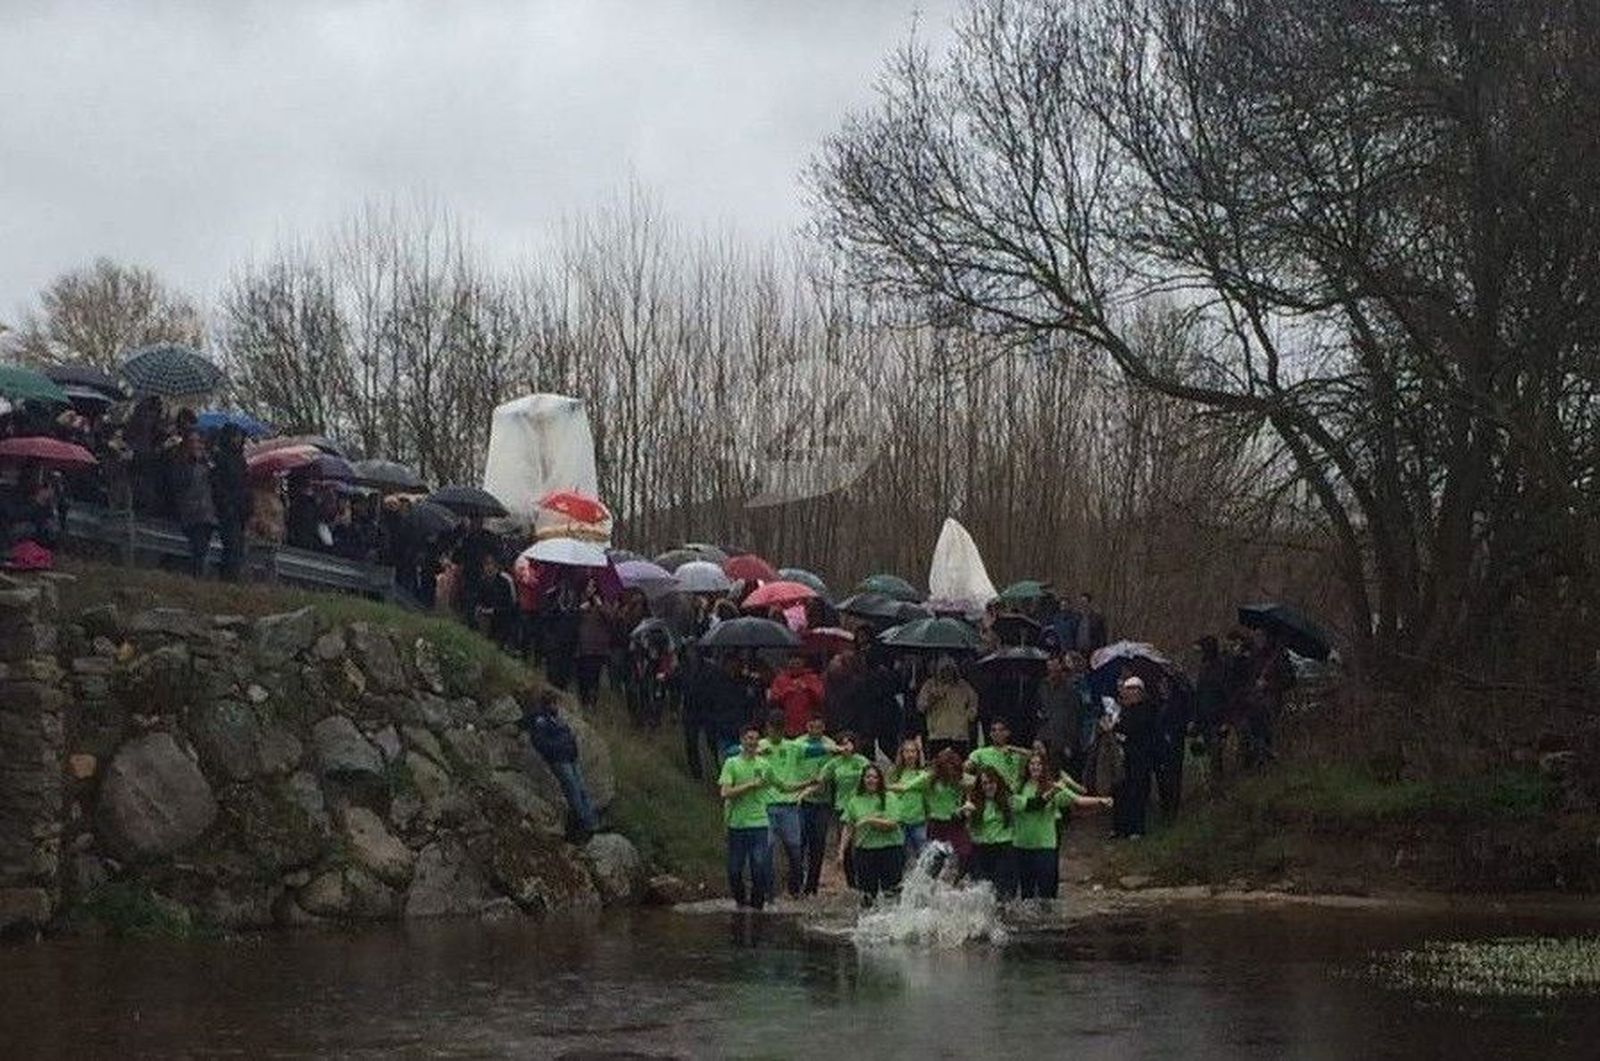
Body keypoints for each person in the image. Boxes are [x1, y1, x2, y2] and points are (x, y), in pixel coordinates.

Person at [1013, 751, 1110, 899]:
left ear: (1044, 767)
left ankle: (1049, 919)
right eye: (1032, 764)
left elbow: (1078, 800)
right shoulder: (1018, 788)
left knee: (1047, 891)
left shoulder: (1052, 786)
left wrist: (1100, 800)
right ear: (1026, 767)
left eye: (1039, 764)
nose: (1035, 767)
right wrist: (1053, 792)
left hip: (1045, 845)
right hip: (1023, 845)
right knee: (1027, 893)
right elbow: (1033, 805)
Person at [519, 690, 599, 838]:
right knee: (573, 790)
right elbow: (540, 742)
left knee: (582, 790)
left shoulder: (557, 719)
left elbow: (568, 735)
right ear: (549, 704)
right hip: (560, 760)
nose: (558, 706)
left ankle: (592, 822)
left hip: (570, 757)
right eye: (555, 703)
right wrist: (557, 750)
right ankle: (583, 824)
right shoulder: (541, 721)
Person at [719, 724, 775, 909]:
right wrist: (749, 785)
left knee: (759, 866)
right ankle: (741, 903)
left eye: (755, 739)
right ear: (742, 740)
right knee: (734, 870)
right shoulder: (732, 763)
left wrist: (804, 786)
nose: (752, 742)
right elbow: (725, 792)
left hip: (759, 822)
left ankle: (757, 905)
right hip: (737, 824)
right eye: (749, 738)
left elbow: (779, 784)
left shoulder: (765, 765)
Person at [836, 763, 905, 906]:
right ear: (863, 780)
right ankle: (867, 923)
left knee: (891, 892)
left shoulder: (889, 797)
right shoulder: (855, 800)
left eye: (875, 777)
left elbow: (892, 824)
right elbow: (848, 827)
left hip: (890, 849)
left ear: (880, 780)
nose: (871, 780)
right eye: (868, 777)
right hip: (865, 851)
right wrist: (841, 852)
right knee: (867, 895)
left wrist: (869, 820)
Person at [758, 709, 807, 900]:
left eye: (779, 729)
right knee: (767, 850)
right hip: (766, 806)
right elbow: (734, 752)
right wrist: (755, 751)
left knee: (795, 850)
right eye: (773, 729)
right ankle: (768, 894)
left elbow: (813, 749)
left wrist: (836, 749)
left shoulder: (793, 746)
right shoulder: (760, 745)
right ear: (767, 728)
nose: (776, 733)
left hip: (789, 807)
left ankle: (795, 889)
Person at [817, 731, 870, 888]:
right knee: (845, 848)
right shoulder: (835, 763)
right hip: (841, 808)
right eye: (843, 743)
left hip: (861, 807)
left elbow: (874, 776)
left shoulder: (861, 761)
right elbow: (820, 779)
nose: (846, 746)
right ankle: (852, 882)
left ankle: (864, 879)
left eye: (849, 742)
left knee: (861, 845)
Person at [1111, 675, 1159, 839]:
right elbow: (1119, 728)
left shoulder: (1147, 709)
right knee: (1122, 790)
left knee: (1137, 792)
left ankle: (1136, 828)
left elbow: (1138, 729)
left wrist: (1121, 730)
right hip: (1125, 756)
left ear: (1140, 691)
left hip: (1141, 756)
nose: (1129, 693)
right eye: (1128, 689)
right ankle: (1121, 827)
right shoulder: (1123, 710)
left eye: (1133, 689)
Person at [961, 766, 1017, 900]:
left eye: (991, 783)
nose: (988, 787)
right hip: (980, 851)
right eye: (984, 783)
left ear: (997, 783)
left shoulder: (1008, 800)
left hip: (1003, 850)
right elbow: (958, 819)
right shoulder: (973, 801)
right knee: (981, 891)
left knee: (1002, 893)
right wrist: (965, 815)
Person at [168, 430, 216, 578]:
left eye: (199, 442)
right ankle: (196, 575)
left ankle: (199, 575)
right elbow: (180, 485)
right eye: (193, 442)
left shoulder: (207, 464)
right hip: (191, 510)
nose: (197, 445)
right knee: (198, 546)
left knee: (203, 546)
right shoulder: (181, 464)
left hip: (208, 511)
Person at [210, 425, 251, 581]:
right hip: (228, 508)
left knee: (238, 547)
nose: (238, 440)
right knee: (231, 545)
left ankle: (234, 577)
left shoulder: (241, 460)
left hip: (240, 509)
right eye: (235, 436)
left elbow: (244, 484)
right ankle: (227, 577)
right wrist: (226, 503)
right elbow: (218, 484)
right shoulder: (221, 458)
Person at [916, 656, 979, 759]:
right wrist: (932, 698)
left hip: (959, 734)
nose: (947, 673)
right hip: (938, 733)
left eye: (950, 670)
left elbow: (974, 700)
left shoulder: (963, 685)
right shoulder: (930, 685)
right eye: (944, 670)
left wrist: (969, 715)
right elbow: (921, 707)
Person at [574, 578, 614, 706]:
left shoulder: (603, 601)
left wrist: (600, 605)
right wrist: (580, 609)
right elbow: (572, 617)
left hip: (597, 648)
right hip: (582, 646)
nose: (590, 589)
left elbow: (610, 618)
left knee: (594, 677)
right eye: (588, 586)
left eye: (593, 587)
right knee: (582, 677)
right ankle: (583, 701)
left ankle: (593, 702)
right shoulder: (580, 600)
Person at [887, 737, 930, 858]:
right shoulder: (895, 773)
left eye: (913, 751)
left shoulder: (922, 773)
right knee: (900, 855)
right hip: (900, 820)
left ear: (917, 754)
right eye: (906, 751)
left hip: (918, 820)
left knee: (923, 856)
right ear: (902, 754)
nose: (910, 755)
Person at [767, 652, 824, 737]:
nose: (795, 666)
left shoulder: (812, 678)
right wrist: (787, 691)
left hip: (807, 724)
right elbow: (773, 699)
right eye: (792, 663)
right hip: (785, 724)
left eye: (798, 663)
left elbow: (820, 697)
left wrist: (807, 689)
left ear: (803, 663)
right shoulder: (780, 679)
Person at [966, 718, 1028, 794]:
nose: (997, 733)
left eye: (1001, 730)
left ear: (1008, 732)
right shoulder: (980, 753)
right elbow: (966, 767)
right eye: (994, 730)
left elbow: (1036, 756)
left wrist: (1012, 748)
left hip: (1012, 796)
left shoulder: (1017, 754)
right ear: (990, 734)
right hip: (991, 795)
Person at [475, 552, 520, 652]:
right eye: (486, 565)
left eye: (491, 564)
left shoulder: (506, 581)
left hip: (502, 619)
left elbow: (512, 602)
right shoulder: (482, 581)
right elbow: (478, 598)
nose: (488, 568)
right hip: (486, 618)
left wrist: (495, 610)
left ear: (497, 566)